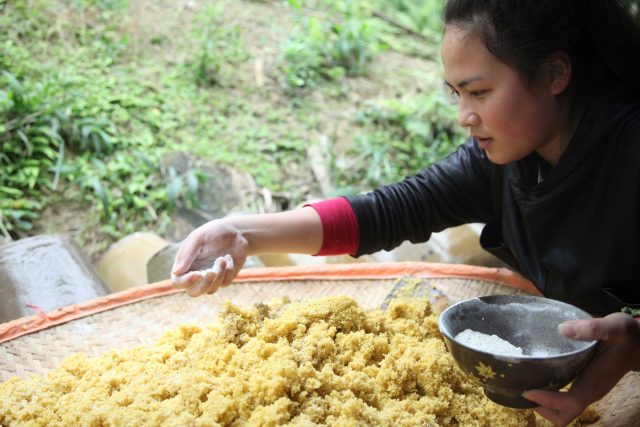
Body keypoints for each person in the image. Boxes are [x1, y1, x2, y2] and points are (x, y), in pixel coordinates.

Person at [171, 1, 640, 425]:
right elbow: (392, 209)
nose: (463, 115)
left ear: (556, 74)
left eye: (478, 92)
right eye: (455, 93)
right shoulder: (508, 159)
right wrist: (244, 233)